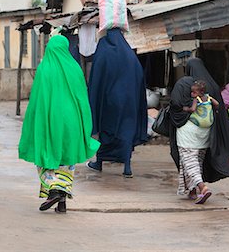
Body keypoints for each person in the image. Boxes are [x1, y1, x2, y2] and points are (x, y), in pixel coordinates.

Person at [18, 35, 100, 213]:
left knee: (47, 153)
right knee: (67, 159)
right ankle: (61, 201)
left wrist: (33, 122)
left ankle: (53, 189)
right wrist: (84, 123)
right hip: (71, 122)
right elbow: (82, 98)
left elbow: (37, 99)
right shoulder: (74, 68)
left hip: (49, 119)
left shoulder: (44, 68)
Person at [86, 28, 147, 178]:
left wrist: (95, 95)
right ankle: (127, 166)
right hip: (129, 102)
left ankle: (99, 162)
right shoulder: (129, 55)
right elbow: (140, 78)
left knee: (107, 130)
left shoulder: (104, 49)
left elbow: (97, 75)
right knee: (126, 132)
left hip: (109, 101)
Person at [185, 57, 229, 182]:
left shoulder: (196, 87)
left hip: (202, 124)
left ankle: (200, 175)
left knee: (200, 150)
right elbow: (218, 104)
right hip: (217, 120)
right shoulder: (212, 84)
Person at [176, 80, 219, 204]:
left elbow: (193, 109)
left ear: (199, 92)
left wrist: (186, 109)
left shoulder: (196, 99)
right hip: (204, 133)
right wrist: (215, 110)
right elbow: (218, 104)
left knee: (189, 162)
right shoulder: (209, 97)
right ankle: (192, 190)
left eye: (193, 92)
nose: (191, 94)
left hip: (191, 134)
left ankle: (202, 188)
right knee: (197, 162)